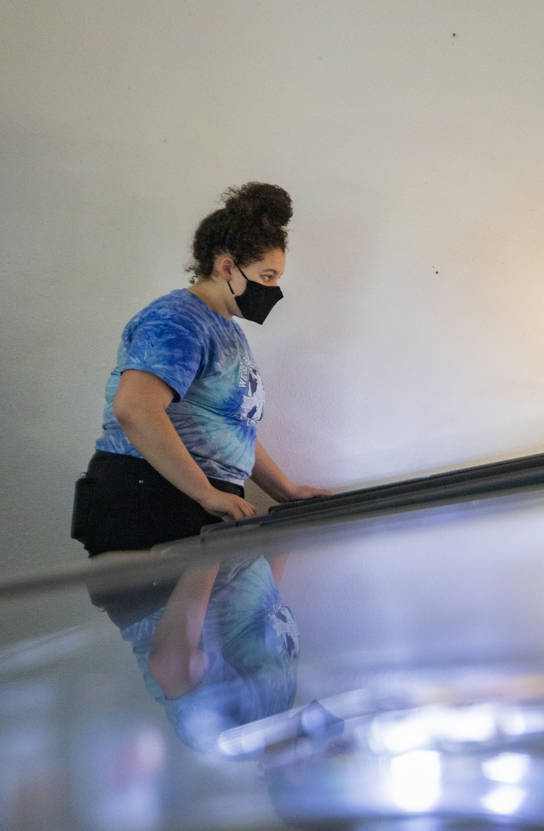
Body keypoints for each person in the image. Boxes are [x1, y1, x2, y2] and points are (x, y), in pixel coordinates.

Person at [72, 181, 331, 712]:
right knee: (184, 674)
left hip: (197, 500)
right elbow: (135, 408)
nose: (272, 291)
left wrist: (285, 492)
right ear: (226, 265)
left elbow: (231, 432)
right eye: (266, 277)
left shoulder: (226, 331)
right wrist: (206, 494)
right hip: (154, 499)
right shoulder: (177, 320)